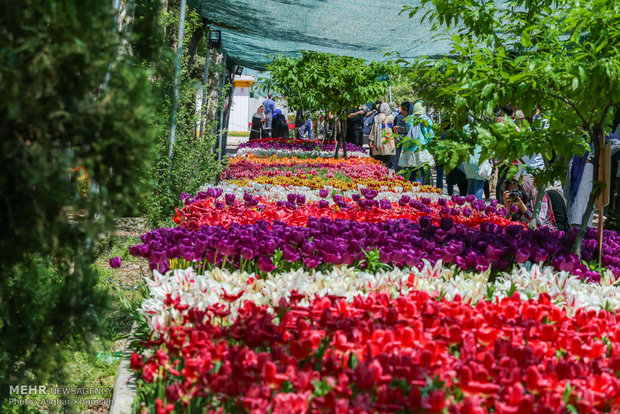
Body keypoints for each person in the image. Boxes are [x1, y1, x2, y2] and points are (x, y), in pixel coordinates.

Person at [398, 101, 435, 184]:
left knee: (411, 171)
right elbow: (429, 135)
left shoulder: (408, 119)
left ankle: (410, 189)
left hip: (410, 149)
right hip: (422, 149)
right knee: (421, 172)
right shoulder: (426, 120)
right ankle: (419, 188)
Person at [369, 103, 396, 167]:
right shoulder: (392, 117)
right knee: (388, 160)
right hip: (388, 140)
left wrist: (371, 140)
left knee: (378, 162)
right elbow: (394, 130)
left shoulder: (376, 117)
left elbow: (373, 130)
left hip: (378, 141)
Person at [393, 101, 412, 173]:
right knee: (399, 159)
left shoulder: (411, 119)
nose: (402, 111)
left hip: (408, 143)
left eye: (403, 110)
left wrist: (402, 129)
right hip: (401, 141)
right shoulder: (399, 117)